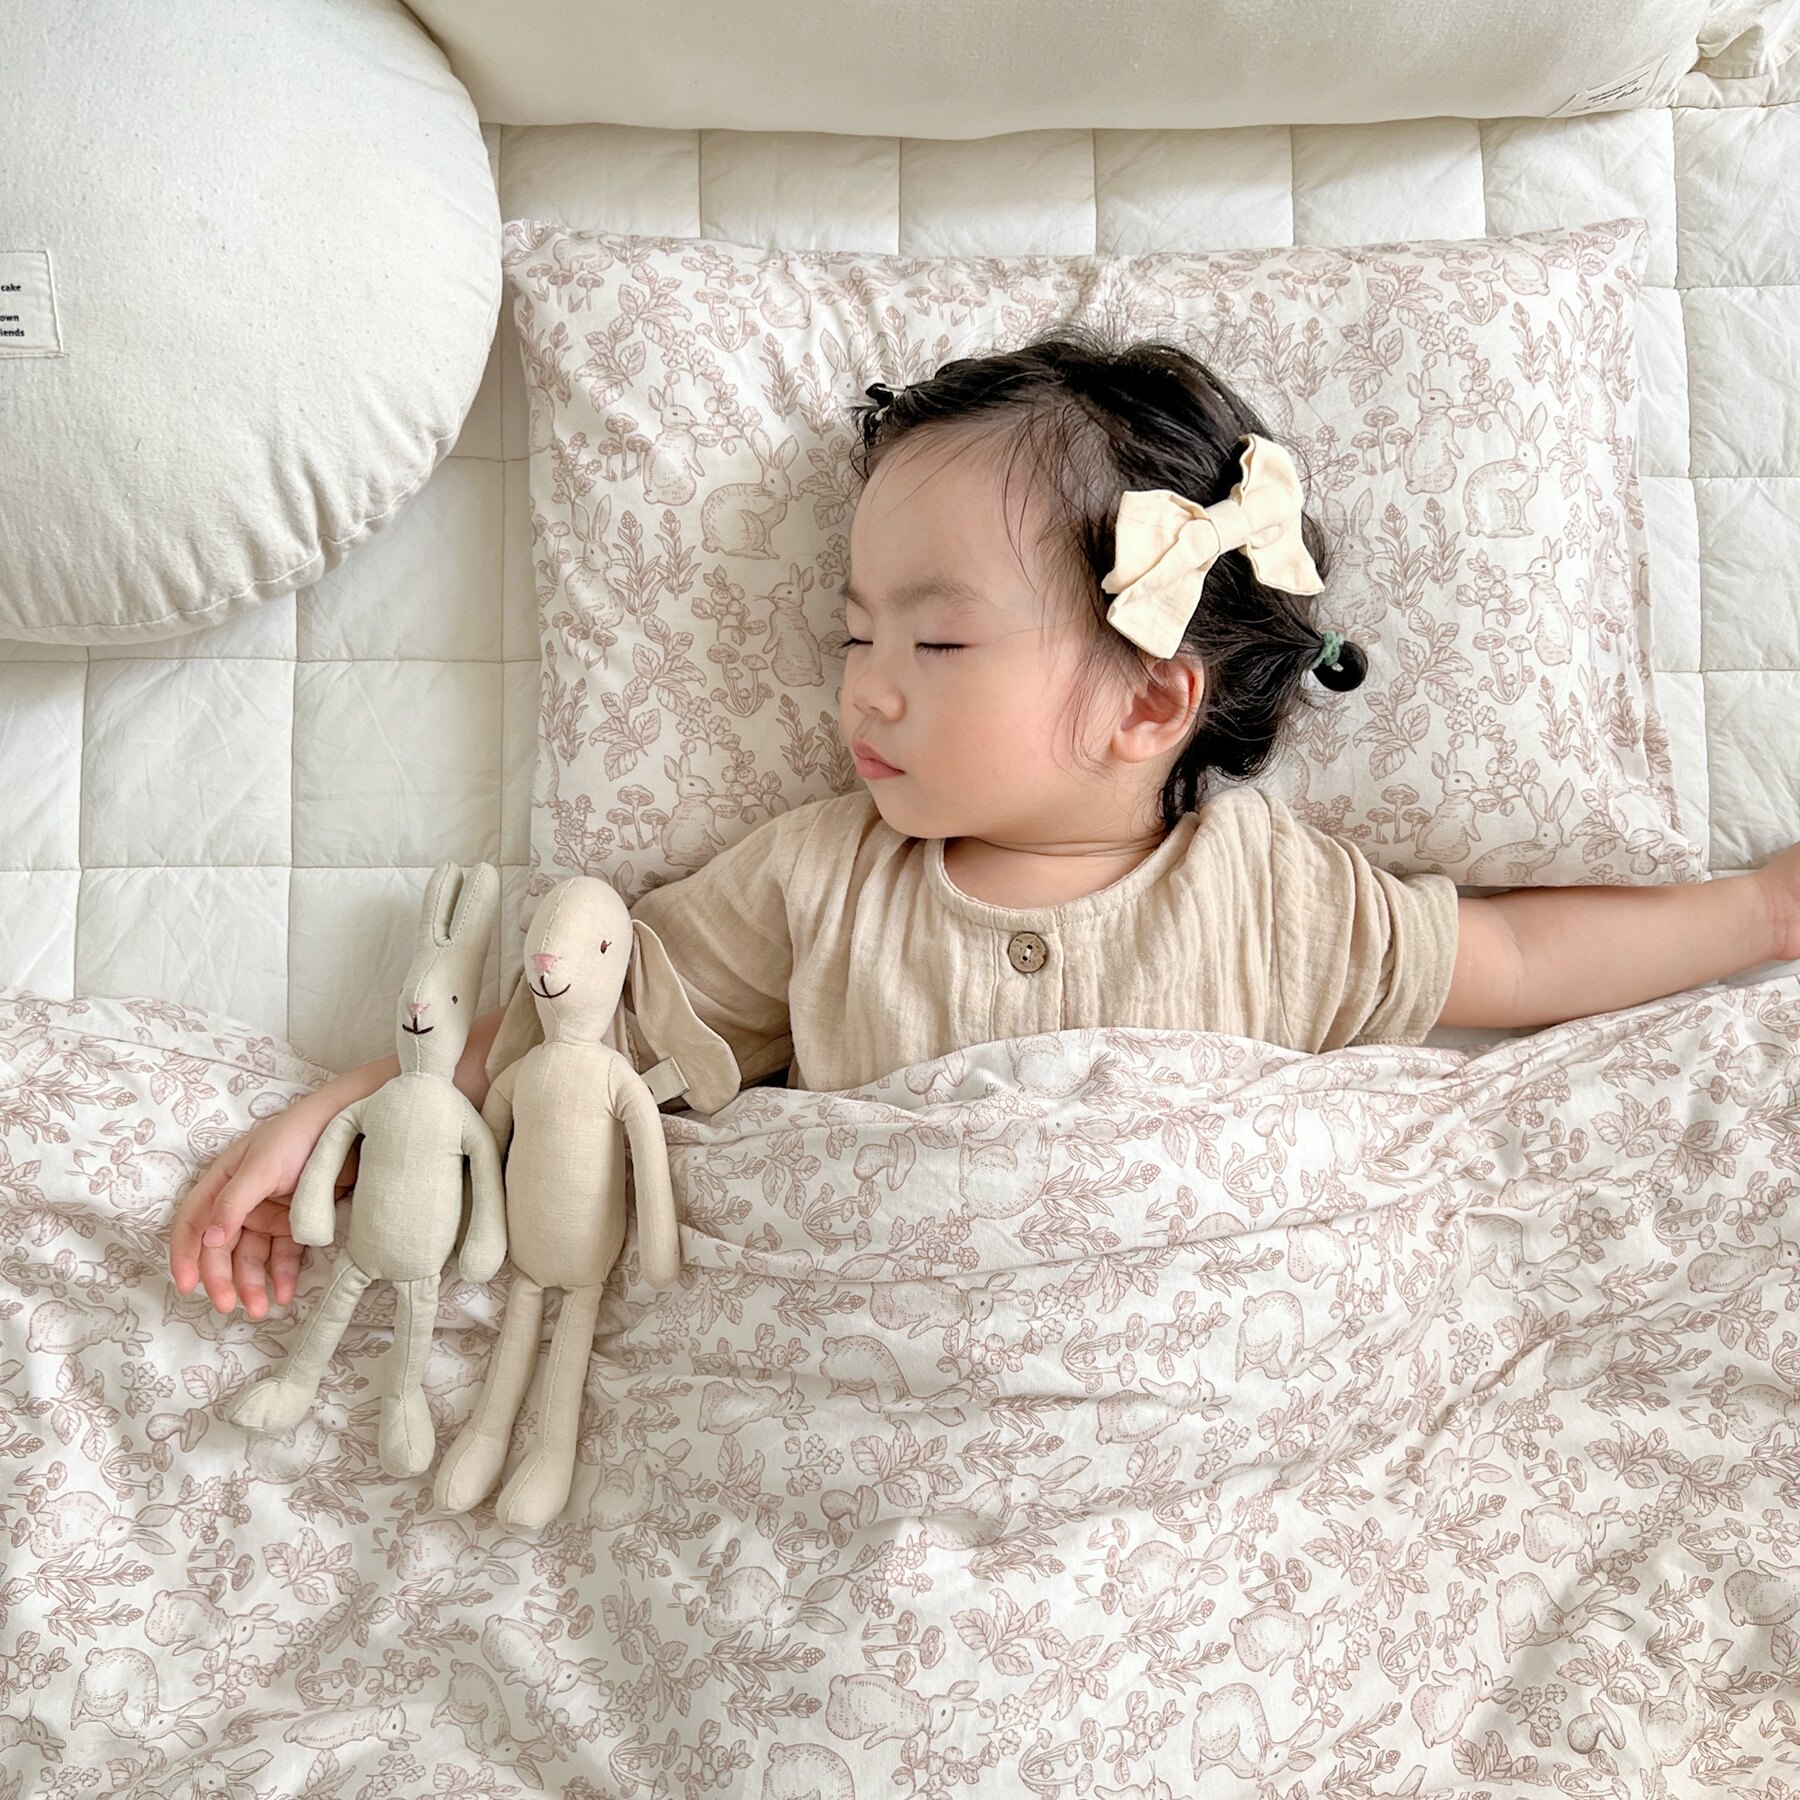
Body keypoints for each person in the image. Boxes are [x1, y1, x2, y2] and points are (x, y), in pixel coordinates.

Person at [169, 323, 1799, 1318]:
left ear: (1149, 704)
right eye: (854, 636)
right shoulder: (815, 883)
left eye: (937, 645)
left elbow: (1511, 958)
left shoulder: (1272, 899)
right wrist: (358, 1111)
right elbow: (567, 1037)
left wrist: (1761, 913)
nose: (865, 692)